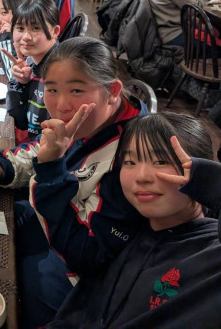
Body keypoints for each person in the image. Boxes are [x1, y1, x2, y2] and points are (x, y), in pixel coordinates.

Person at [0, 37, 149, 328]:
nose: (61, 105)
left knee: (23, 280)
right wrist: (1, 167)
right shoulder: (91, 120)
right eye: (52, 89)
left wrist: (51, 168)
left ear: (112, 92)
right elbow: (42, 146)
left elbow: (89, 255)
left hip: (88, 277)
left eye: (76, 90)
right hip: (60, 220)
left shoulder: (136, 157)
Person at [50, 112, 221, 328]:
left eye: (161, 161)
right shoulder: (127, 227)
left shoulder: (211, 254)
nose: (141, 176)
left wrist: (213, 185)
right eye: (130, 161)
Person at [3, 0, 60, 140]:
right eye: (20, 28)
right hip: (29, 141)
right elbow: (20, 121)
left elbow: (54, 136)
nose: (26, 37)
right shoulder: (31, 61)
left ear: (55, 31)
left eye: (36, 28)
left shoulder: (60, 72)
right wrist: (21, 83)